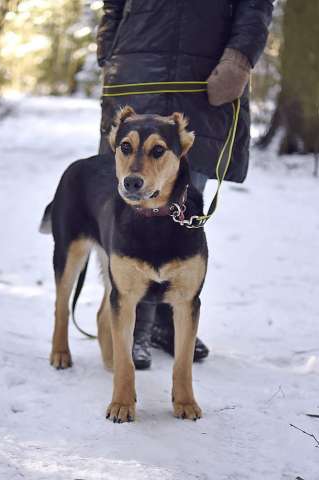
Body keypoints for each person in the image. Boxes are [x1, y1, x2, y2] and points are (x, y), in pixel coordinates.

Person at [96, 0, 274, 369]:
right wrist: (108, 47)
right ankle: (136, 325)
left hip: (203, 77)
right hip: (137, 69)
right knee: (132, 209)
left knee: (182, 202)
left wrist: (240, 58)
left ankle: (171, 317)